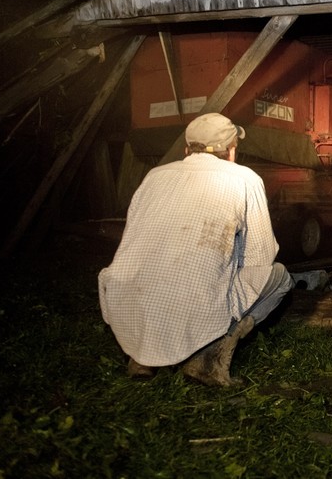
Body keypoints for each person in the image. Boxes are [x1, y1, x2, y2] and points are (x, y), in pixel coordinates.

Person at [98, 113, 293, 386]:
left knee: (160, 276)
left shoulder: (155, 176)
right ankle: (207, 357)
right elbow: (260, 255)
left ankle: (141, 356)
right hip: (195, 304)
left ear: (187, 149)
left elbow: (132, 241)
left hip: (126, 300)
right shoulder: (245, 179)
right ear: (231, 151)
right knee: (280, 277)